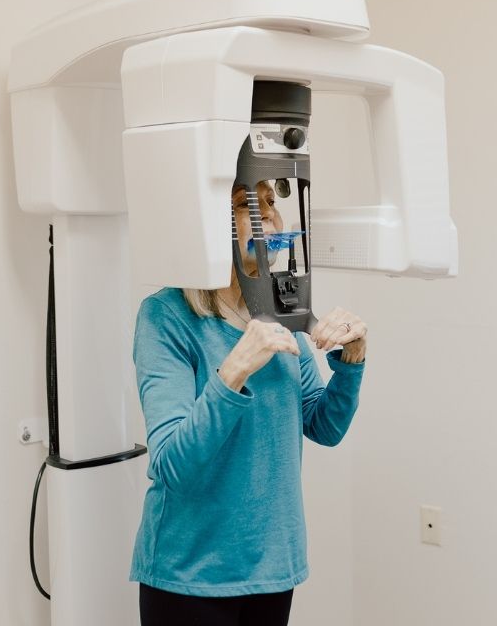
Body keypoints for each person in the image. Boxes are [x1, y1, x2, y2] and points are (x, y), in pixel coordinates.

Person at [129, 179, 368, 626]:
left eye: (271, 204)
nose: (270, 219)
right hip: (191, 572)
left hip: (273, 564)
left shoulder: (279, 308)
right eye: (246, 205)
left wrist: (352, 360)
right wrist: (235, 368)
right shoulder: (165, 316)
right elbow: (172, 465)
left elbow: (323, 425)